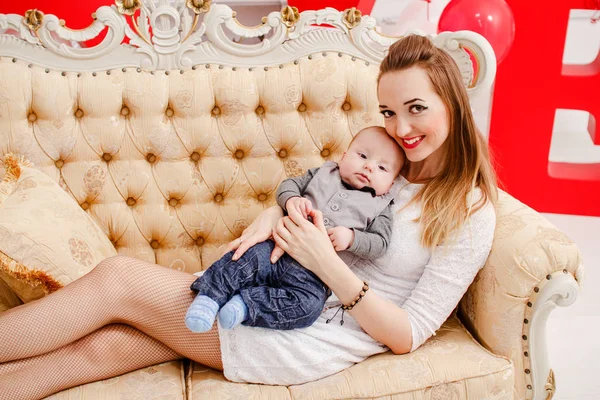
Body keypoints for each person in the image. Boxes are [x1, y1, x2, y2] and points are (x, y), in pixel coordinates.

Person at [0, 34, 497, 399]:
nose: (401, 128)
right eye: (388, 112)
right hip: (266, 280)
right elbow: (318, 196)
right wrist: (274, 211)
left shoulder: (470, 210)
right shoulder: (386, 167)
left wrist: (327, 263)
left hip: (299, 329)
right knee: (107, 349)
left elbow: (408, 334)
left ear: (453, 105)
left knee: (117, 280)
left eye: (416, 109)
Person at [184, 126, 405, 333]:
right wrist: (292, 200)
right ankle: (209, 298)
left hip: (315, 277)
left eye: (382, 168)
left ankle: (245, 306)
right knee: (244, 259)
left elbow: (380, 244)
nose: (369, 167)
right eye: (363, 156)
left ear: (391, 184)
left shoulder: (380, 206)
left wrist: (352, 238)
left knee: (308, 307)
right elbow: (288, 185)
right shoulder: (324, 173)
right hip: (276, 247)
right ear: (344, 156)